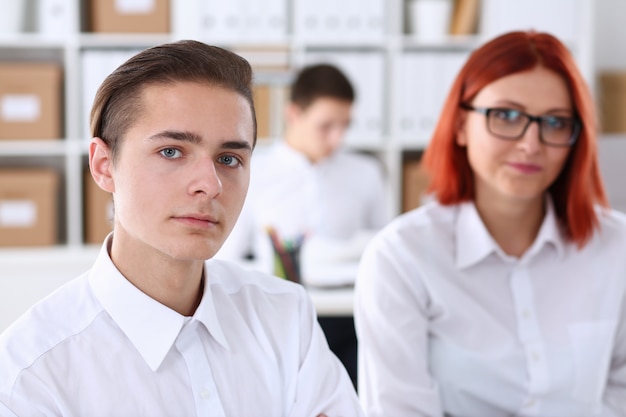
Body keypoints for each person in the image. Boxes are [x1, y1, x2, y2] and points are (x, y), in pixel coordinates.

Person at [0, 40, 363, 417]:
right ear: (104, 165)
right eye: (171, 151)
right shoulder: (29, 375)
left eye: (229, 158)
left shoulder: (286, 317)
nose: (211, 184)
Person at [354, 30, 626, 417]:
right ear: (461, 125)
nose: (532, 143)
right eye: (507, 116)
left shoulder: (616, 247)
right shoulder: (402, 257)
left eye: (555, 122)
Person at [217, 63, 390, 388]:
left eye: (345, 125)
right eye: (326, 126)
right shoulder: (254, 172)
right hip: (277, 316)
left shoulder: (366, 172)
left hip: (351, 318)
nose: (337, 138)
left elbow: (385, 252)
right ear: (293, 114)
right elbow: (226, 259)